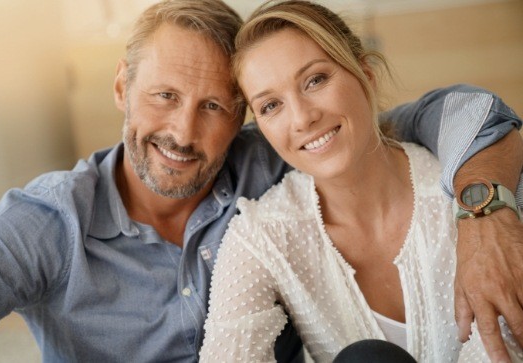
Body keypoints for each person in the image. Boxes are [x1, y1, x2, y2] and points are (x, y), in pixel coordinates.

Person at [0, 0, 521, 362]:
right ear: (123, 88)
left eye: (214, 106)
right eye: (164, 96)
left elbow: (455, 117)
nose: (182, 131)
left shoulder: (281, 152)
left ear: (242, 117)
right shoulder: (46, 222)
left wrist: (485, 208)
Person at [199, 1, 523, 362]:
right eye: (271, 106)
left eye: (316, 80)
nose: (303, 118)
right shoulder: (261, 236)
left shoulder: (471, 196)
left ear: (365, 75)